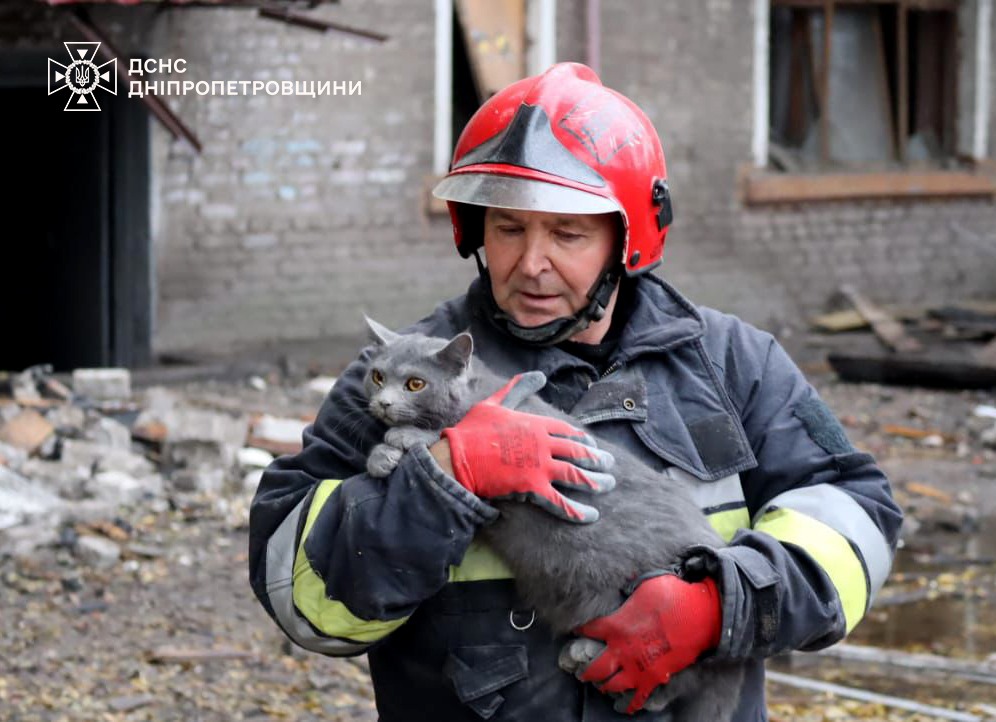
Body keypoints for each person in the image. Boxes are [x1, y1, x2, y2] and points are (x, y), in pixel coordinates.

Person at [248, 63, 902, 721]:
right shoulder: (404, 378)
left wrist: (723, 604)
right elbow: (298, 595)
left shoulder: (734, 365)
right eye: (508, 229)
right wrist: (439, 478)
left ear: (627, 240)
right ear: (476, 231)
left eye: (566, 233)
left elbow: (858, 520)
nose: (530, 263)